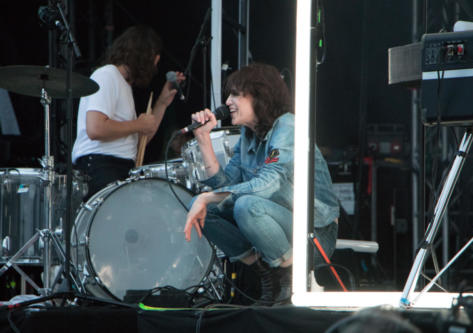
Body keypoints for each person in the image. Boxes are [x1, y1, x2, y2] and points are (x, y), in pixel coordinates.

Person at [183, 63, 340, 304]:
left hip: (314, 234)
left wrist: (208, 197)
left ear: (260, 96)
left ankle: (290, 276)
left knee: (245, 205)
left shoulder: (288, 126)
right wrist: (204, 140)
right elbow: (227, 186)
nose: (227, 101)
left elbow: (268, 185)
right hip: (273, 223)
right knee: (203, 207)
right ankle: (269, 275)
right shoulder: (248, 136)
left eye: (235, 94)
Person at [72, 25, 185, 200]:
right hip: (101, 166)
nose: (157, 62)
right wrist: (138, 125)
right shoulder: (107, 75)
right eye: (155, 56)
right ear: (144, 55)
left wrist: (162, 102)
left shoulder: (124, 85)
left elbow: (140, 141)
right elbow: (95, 128)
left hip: (119, 167)